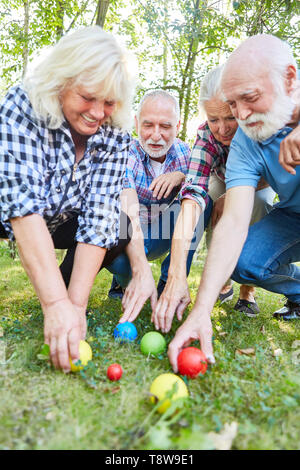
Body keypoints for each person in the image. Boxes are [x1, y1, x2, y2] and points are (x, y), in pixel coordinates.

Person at [156, 34, 300, 371]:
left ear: (290, 79)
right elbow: (233, 220)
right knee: (243, 260)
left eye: (248, 99)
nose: (242, 116)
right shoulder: (245, 142)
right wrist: (201, 310)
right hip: (292, 216)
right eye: (233, 105)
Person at [0, 26, 136, 372]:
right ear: (61, 82)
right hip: (16, 211)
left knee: (119, 224)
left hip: (61, 218)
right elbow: (23, 211)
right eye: (87, 97)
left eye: (108, 102)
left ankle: (63, 292)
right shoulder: (23, 106)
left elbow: (100, 215)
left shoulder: (117, 131)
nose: (97, 112)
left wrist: (74, 305)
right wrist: (54, 303)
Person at [106, 90, 212, 322]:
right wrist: (140, 268)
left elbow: (209, 179)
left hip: (162, 232)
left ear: (177, 125)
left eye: (165, 126)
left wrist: (181, 176)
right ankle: (125, 282)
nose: (156, 135)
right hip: (129, 236)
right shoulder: (124, 153)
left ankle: (169, 282)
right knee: (118, 260)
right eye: (148, 125)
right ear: (136, 123)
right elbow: (127, 210)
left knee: (203, 200)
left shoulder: (188, 154)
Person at [180, 65, 275, 317]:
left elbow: (271, 175)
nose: (222, 129)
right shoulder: (205, 135)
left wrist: (232, 195)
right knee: (208, 204)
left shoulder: (258, 127)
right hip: (220, 177)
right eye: (213, 119)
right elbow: (194, 188)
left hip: (259, 182)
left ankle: (247, 292)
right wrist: (176, 273)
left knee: (259, 205)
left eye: (229, 118)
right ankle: (222, 278)